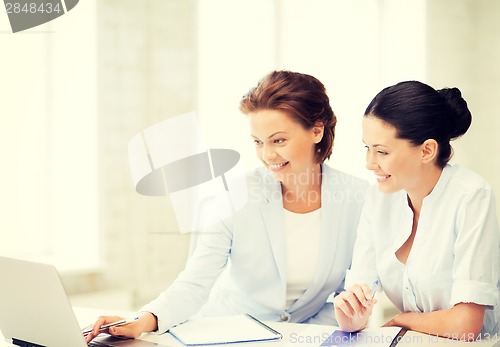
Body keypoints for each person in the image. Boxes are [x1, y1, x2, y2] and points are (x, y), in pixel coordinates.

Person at [85, 70, 368, 343]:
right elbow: (195, 282)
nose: (267, 155)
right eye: (258, 142)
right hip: (227, 336)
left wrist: (307, 335)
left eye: (279, 140)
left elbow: (353, 292)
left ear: (317, 130)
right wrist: (144, 319)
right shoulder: (233, 194)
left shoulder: (357, 198)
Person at [333, 80, 500, 339]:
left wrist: (403, 320)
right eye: (367, 148)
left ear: (427, 150)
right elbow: (358, 297)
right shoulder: (378, 198)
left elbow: (466, 323)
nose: (369, 163)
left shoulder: (471, 196)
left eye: (382, 152)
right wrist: (351, 317)